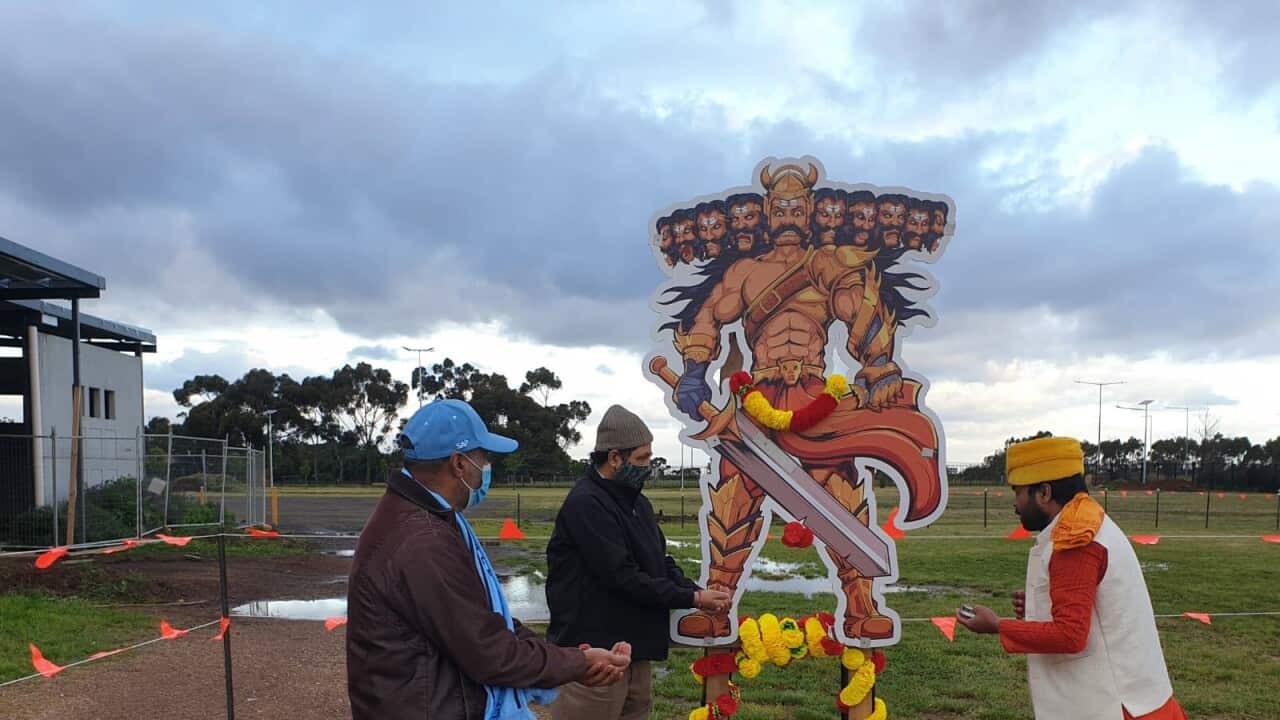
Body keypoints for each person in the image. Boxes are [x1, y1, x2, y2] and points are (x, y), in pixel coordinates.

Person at [347, 399, 630, 720]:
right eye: (483, 458)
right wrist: (577, 664)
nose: (486, 467)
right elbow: (488, 652)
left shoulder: (424, 517)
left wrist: (565, 657)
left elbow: (483, 618)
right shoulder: (424, 540)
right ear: (459, 464)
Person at [955, 436, 1186, 720]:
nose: (1015, 504)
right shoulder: (1090, 519)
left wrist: (997, 626)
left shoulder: (1075, 538)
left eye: (1018, 492)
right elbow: (1095, 604)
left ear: (1044, 492)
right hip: (1143, 698)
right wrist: (1041, 605)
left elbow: (1070, 635)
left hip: (1116, 707)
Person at [546, 405, 730, 720]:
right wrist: (692, 597)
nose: (649, 466)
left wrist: (695, 591)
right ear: (614, 458)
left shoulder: (637, 503)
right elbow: (622, 577)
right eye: (642, 459)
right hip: (594, 657)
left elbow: (660, 562)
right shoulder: (587, 504)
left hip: (635, 651)